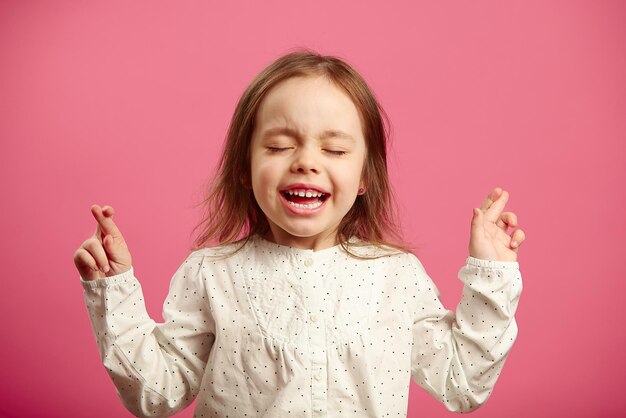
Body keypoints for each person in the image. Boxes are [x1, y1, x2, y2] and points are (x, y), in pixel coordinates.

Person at [74, 50, 525, 417]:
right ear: (245, 170)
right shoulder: (212, 273)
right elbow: (157, 394)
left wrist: (493, 274)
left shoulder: (396, 277)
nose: (306, 161)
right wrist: (114, 293)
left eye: (334, 148)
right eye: (278, 146)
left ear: (365, 177)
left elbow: (461, 383)